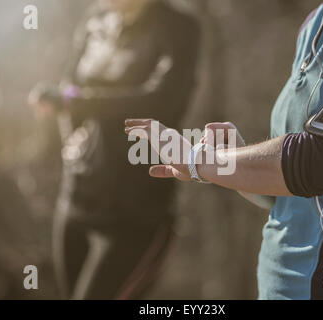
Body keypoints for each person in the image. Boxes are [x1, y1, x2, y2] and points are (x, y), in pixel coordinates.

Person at [125, 0, 323, 299]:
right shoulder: (317, 21)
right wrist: (234, 159)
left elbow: (321, 161)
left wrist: (201, 161)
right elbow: (288, 193)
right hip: (276, 287)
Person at [29, 0, 200, 299]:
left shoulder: (180, 27)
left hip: (137, 212)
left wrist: (78, 102)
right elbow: (70, 86)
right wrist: (70, 130)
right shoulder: (95, 20)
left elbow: (161, 99)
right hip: (78, 198)